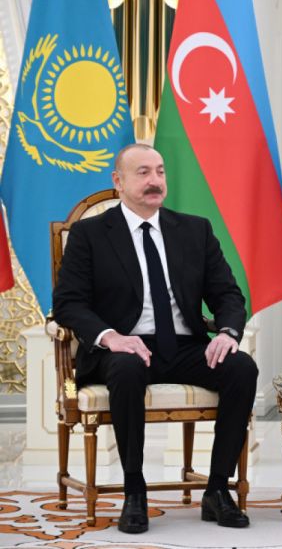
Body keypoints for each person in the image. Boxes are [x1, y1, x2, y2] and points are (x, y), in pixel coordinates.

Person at [53, 143, 258, 534]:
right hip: (124, 348)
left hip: (184, 346)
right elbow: (68, 303)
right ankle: (135, 490)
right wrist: (110, 337)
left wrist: (227, 332)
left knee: (241, 367)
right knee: (127, 368)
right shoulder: (90, 234)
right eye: (143, 172)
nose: (155, 180)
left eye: (160, 171)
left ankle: (217, 489)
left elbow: (228, 295)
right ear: (118, 181)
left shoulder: (195, 230)